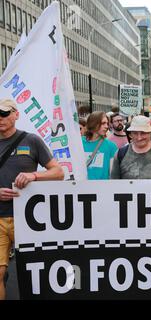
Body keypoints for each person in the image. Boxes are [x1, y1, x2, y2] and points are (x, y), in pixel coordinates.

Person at [0, 99, 64, 300]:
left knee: (36, 272)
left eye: (4, 114)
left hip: (28, 219)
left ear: (16, 114)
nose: (0, 119)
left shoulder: (31, 140)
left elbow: (58, 172)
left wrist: (34, 176)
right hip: (0, 219)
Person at [82, 111, 118, 180]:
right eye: (103, 123)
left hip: (103, 188)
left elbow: (112, 174)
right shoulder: (79, 143)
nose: (106, 126)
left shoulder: (111, 146)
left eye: (107, 123)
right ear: (93, 123)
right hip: (81, 187)